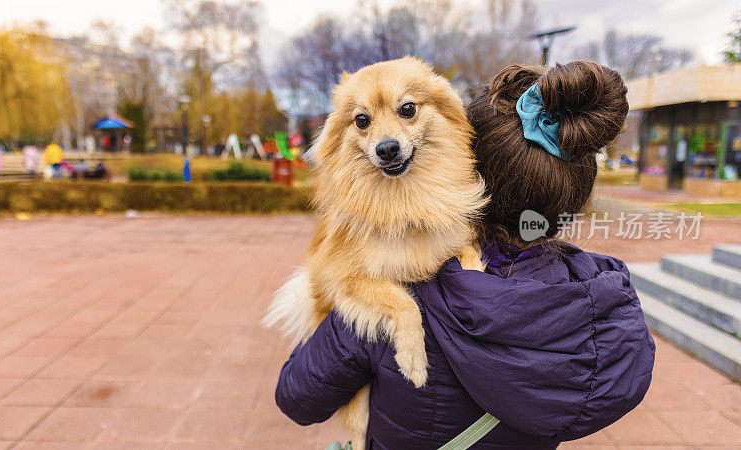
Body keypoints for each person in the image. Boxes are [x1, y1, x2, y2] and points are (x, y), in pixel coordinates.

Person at [274, 61, 654, 449]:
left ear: (473, 158)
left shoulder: (395, 286)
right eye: (365, 120)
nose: (386, 139)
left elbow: (296, 398)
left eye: (407, 110)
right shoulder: (599, 298)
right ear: (577, 194)